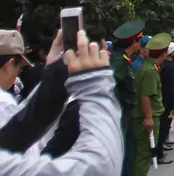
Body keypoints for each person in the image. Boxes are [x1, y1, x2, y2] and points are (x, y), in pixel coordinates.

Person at [0, 31, 124, 176]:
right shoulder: (3, 103)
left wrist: (55, 78)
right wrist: (95, 86)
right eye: (19, 67)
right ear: (9, 65)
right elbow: (101, 166)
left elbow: (11, 137)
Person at [131, 33, 171, 175]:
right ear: (164, 53)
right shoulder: (150, 71)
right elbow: (146, 96)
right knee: (145, 154)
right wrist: (148, 117)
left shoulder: (148, 67)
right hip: (146, 117)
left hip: (145, 116)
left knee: (142, 153)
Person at [111, 19, 144, 176]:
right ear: (134, 43)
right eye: (139, 40)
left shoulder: (123, 60)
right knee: (123, 156)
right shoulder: (118, 62)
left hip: (125, 114)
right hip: (120, 115)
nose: (140, 44)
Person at [155, 40, 174, 165]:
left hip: (163, 100)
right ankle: (158, 154)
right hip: (168, 102)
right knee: (163, 128)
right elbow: (171, 87)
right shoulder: (170, 67)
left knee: (163, 128)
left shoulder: (165, 65)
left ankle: (159, 150)